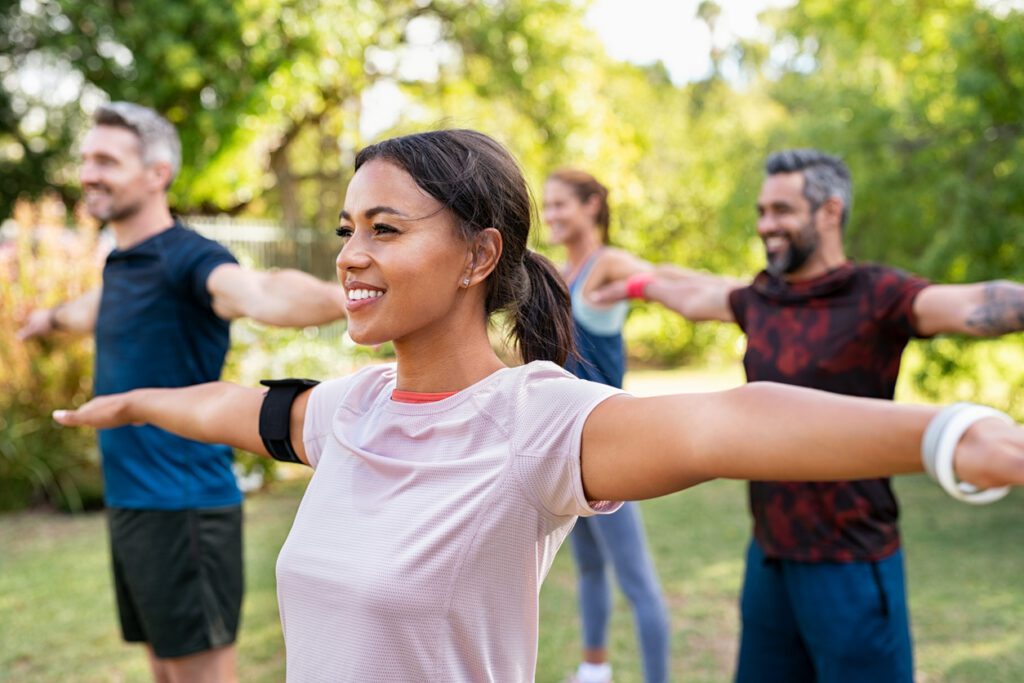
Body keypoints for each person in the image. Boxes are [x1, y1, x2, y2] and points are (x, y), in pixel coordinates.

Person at [51, 131, 1024, 683]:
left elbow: (728, 421)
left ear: (479, 256)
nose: (350, 253)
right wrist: (139, 398)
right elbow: (244, 407)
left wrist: (944, 432)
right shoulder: (351, 410)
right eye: (348, 228)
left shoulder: (535, 422)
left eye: (385, 228)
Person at [592, 148, 1024, 683]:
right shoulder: (760, 297)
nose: (765, 225)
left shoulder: (878, 295)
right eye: (761, 212)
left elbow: (976, 304)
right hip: (770, 558)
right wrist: (632, 285)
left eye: (781, 210)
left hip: (851, 564)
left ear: (829, 212)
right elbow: (692, 292)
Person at [18, 102, 348, 683]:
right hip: (135, 506)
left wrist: (349, 298)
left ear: (157, 172)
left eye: (106, 160)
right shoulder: (124, 264)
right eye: (87, 158)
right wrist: (45, 320)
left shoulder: (189, 258)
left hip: (185, 508)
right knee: (165, 670)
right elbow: (90, 311)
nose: (88, 172)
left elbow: (261, 293)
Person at [543, 169, 669, 683]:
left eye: (560, 205)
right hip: (568, 447)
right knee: (591, 568)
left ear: (592, 205)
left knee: (636, 580)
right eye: (546, 206)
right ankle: (593, 670)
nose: (550, 215)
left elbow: (665, 281)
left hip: (610, 444)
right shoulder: (558, 271)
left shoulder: (608, 264)